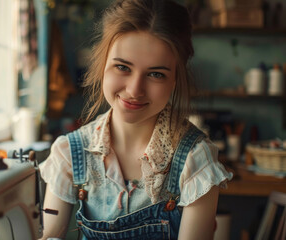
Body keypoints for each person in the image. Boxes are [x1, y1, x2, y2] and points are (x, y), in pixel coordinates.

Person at [39, 0, 233, 239]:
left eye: (155, 74)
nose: (134, 90)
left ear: (175, 79)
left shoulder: (195, 160)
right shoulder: (69, 153)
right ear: (102, 65)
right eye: (122, 67)